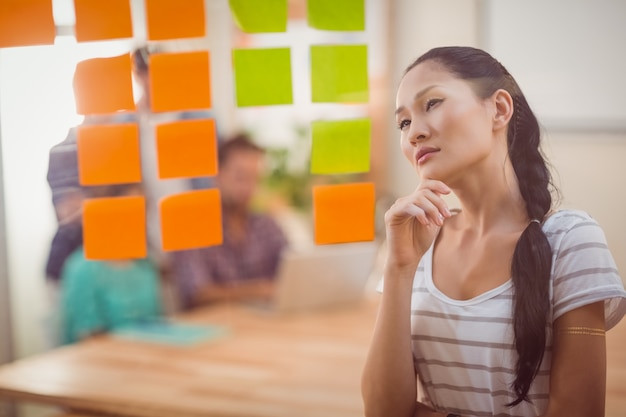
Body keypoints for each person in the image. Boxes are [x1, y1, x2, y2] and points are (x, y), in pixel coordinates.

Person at [361, 46, 626, 417]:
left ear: (499, 109)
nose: (414, 133)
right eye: (403, 123)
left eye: (432, 103)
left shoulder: (571, 241)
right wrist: (399, 267)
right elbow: (383, 411)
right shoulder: (414, 245)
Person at [172, 133, 288, 309]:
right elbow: (197, 293)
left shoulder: (265, 225)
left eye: (255, 179)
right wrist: (257, 290)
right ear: (216, 174)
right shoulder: (191, 227)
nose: (248, 187)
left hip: (265, 324)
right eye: (240, 177)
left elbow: (293, 269)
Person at [59, 183, 162, 344]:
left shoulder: (145, 262)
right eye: (129, 210)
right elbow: (90, 338)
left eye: (143, 209)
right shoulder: (82, 268)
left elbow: (156, 324)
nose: (139, 218)